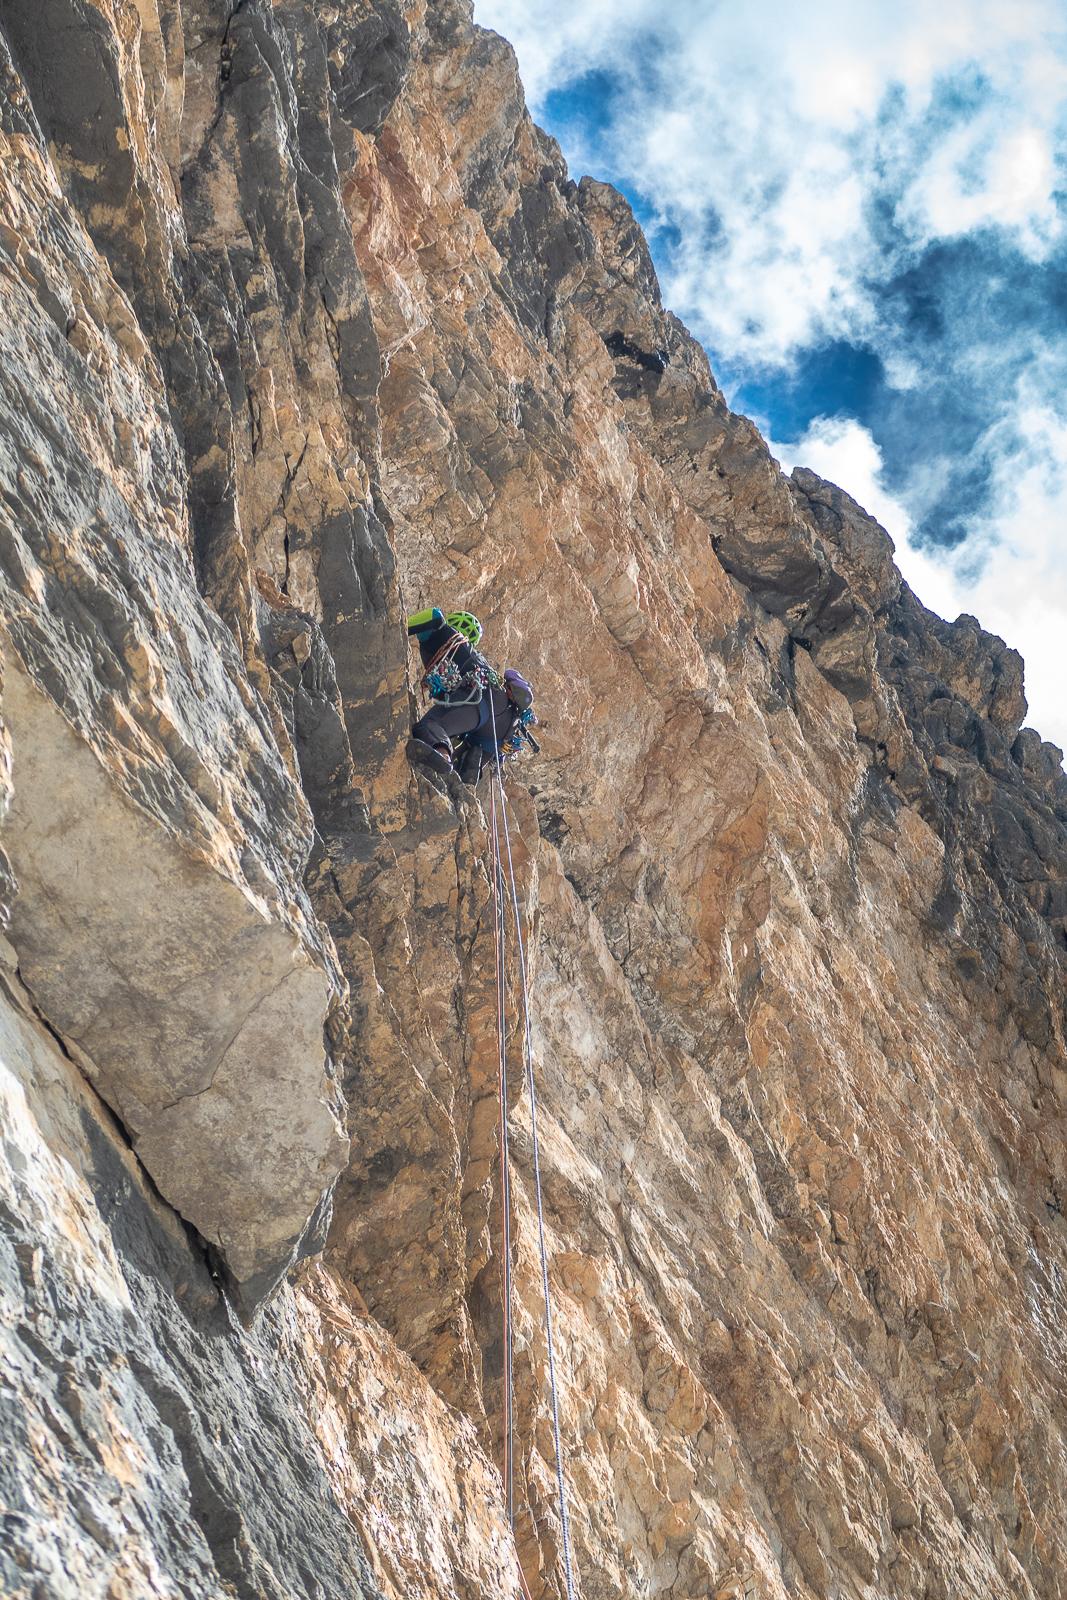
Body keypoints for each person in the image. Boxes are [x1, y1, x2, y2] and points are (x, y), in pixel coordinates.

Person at [406, 607, 535, 784]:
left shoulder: (452, 638)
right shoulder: (476, 658)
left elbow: (434, 617)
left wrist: (401, 625)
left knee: (431, 726)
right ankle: (468, 770)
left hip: (481, 700)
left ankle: (443, 755)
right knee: (469, 752)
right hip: (500, 730)